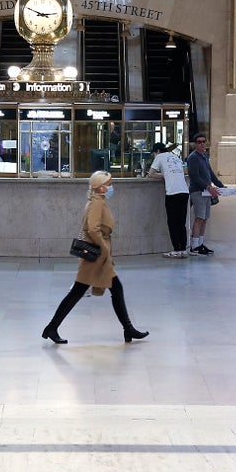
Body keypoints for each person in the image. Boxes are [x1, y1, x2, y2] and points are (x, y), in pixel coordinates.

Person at [41, 171, 149, 346]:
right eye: (109, 183)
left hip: (98, 256)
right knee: (79, 292)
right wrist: (103, 246)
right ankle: (52, 327)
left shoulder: (98, 201)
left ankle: (128, 328)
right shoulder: (97, 203)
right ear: (100, 187)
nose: (111, 186)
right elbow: (92, 228)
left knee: (113, 289)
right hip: (96, 256)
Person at [148, 141, 189, 259]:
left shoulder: (160, 156)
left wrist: (162, 175)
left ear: (157, 151)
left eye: (153, 154)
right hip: (184, 192)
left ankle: (176, 249)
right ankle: (183, 249)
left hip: (172, 193)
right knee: (181, 223)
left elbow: (151, 174)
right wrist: (165, 175)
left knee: (172, 222)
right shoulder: (175, 157)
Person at [185, 131, 224, 256]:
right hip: (198, 192)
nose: (202, 144)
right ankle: (194, 245)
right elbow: (194, 176)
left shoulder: (204, 156)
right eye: (199, 142)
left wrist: (221, 186)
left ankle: (200, 243)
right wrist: (208, 187)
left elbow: (210, 173)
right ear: (195, 144)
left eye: (204, 142)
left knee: (205, 218)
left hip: (206, 192)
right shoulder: (193, 157)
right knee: (199, 218)